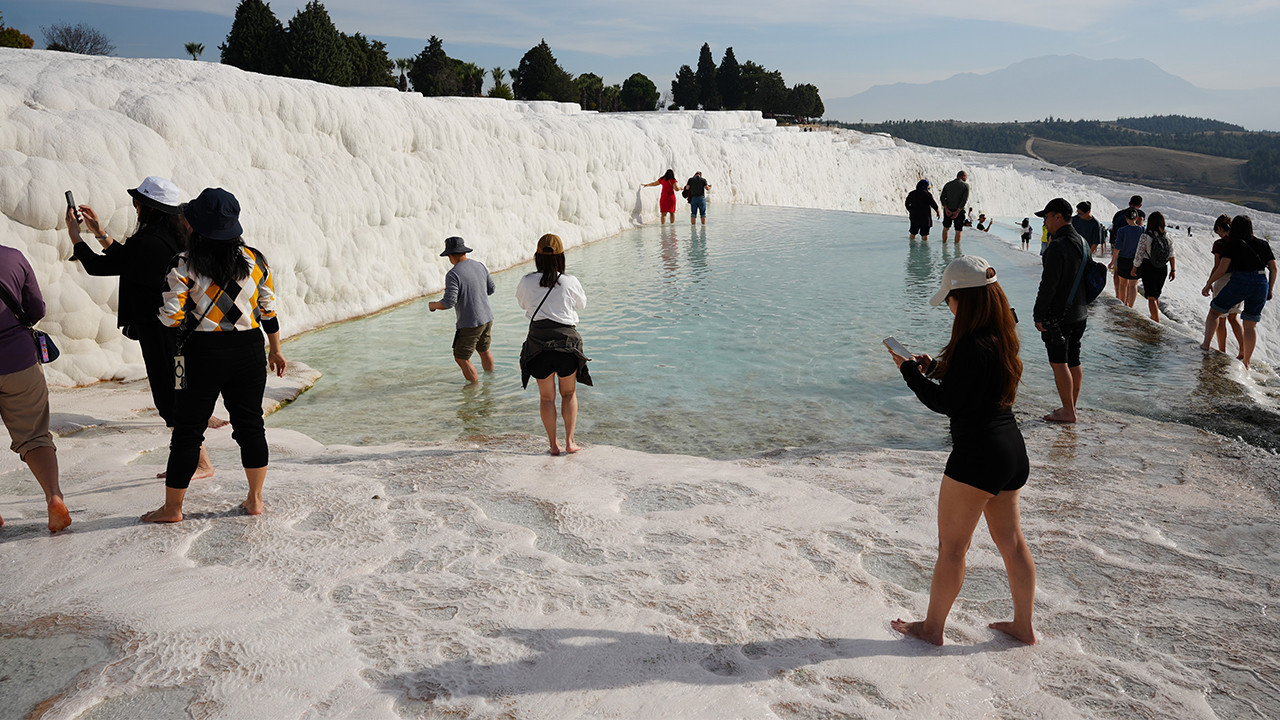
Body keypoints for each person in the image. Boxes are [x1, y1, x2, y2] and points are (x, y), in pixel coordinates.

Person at [888, 255, 1035, 647]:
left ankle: (932, 628)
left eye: (950, 298)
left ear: (964, 300)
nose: (948, 305)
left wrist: (908, 373)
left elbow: (946, 404)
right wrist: (934, 366)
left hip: (977, 455)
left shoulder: (971, 342)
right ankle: (1024, 626)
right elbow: (975, 383)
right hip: (1011, 451)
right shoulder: (1003, 331)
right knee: (1013, 543)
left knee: (952, 548)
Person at [143, 188, 286, 523]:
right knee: (251, 427)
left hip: (202, 353)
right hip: (250, 349)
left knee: (188, 431)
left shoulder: (183, 263)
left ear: (194, 225)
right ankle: (254, 500)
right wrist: (276, 349)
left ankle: (173, 509)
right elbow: (268, 309)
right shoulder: (255, 260)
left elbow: (170, 317)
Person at [66, 176, 216, 480]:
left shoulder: (148, 242)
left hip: (160, 331)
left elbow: (99, 267)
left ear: (149, 207)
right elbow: (127, 258)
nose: (135, 207)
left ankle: (199, 463)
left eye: (138, 202)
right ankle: (196, 459)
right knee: (178, 390)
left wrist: (75, 236)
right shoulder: (176, 237)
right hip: (181, 329)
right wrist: (99, 232)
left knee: (169, 396)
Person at [0, 244, 70, 533]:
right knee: (34, 436)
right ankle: (54, 496)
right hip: (19, 360)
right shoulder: (12, 257)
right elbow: (36, 308)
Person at [516, 234, 591, 455]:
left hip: (538, 344)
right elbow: (582, 305)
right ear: (561, 256)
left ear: (537, 256)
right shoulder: (569, 281)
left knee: (547, 397)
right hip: (566, 344)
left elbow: (522, 304)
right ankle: (570, 442)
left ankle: (553, 445)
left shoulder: (527, 281)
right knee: (568, 394)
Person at [1033, 198, 1089, 424]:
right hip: (1080, 312)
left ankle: (1068, 411)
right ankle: (1071, 405)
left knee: (1059, 362)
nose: (1045, 223)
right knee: (1073, 359)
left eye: (1046, 218)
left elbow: (1048, 285)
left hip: (1058, 316)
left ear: (1057, 216)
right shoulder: (1082, 242)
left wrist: (1038, 315)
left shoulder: (1057, 246)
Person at [1200, 215, 1277, 369]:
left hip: (1241, 280)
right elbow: (1273, 268)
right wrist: (1270, 288)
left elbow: (1222, 268)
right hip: (1261, 282)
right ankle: (1246, 362)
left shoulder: (1233, 244)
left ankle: (1206, 345)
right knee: (1250, 325)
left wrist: (1209, 284)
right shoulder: (1262, 244)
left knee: (1215, 311)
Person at [428, 236, 495, 384]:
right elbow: (491, 289)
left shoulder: (453, 274)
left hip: (470, 323)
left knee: (461, 357)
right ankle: (490, 383)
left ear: (451, 255)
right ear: (464, 252)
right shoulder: (480, 265)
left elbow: (449, 302)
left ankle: (473, 389)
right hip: (487, 318)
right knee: (484, 351)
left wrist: (433, 305)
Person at [1207, 215, 1245, 356]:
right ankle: (1243, 350)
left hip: (1223, 281)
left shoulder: (1220, 244)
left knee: (1220, 316)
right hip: (1239, 281)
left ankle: (1222, 350)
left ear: (1220, 228)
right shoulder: (1241, 242)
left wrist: (1209, 282)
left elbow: (1217, 266)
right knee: (1233, 318)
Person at [1132, 212, 1176, 323]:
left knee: (1151, 297)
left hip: (1149, 267)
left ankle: (1156, 321)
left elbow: (1139, 254)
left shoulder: (1145, 236)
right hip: (1162, 268)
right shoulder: (1167, 236)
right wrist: (1173, 270)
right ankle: (1155, 316)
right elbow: (1172, 254)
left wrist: (1134, 268)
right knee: (1156, 295)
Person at [1110, 209, 1144, 307]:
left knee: (1122, 284)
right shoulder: (1142, 230)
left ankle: (1122, 304)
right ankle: (1130, 306)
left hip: (1123, 260)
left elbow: (1118, 248)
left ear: (1126, 218)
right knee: (1133, 285)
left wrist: (1112, 262)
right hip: (1136, 261)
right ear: (1137, 218)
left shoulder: (1122, 230)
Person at [939, 171, 969, 243]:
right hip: (959, 211)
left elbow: (942, 197)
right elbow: (964, 200)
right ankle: (957, 250)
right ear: (963, 176)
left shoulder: (948, 184)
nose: (966, 179)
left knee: (946, 228)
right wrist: (957, 212)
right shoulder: (965, 186)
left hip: (948, 210)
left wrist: (946, 209)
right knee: (958, 230)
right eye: (966, 177)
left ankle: (944, 246)